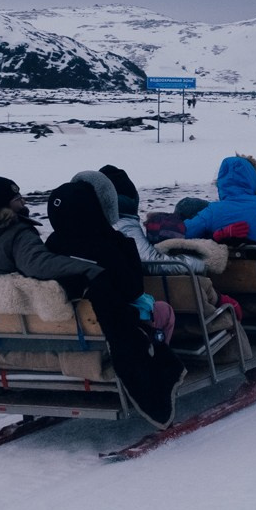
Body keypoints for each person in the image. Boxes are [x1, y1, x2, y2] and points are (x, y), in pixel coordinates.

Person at [45, 178, 184, 426]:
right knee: (164, 311)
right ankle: (155, 366)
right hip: (112, 322)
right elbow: (133, 290)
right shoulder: (108, 242)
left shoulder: (51, 244)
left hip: (63, 325)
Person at [0, 175, 102, 285]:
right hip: (17, 319)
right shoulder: (17, 233)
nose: (24, 201)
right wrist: (90, 269)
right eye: (17, 199)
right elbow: (39, 265)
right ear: (3, 206)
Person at [182, 155, 256, 254]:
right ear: (254, 180)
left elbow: (184, 233)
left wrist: (213, 236)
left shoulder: (213, 210)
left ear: (221, 182)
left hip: (226, 265)